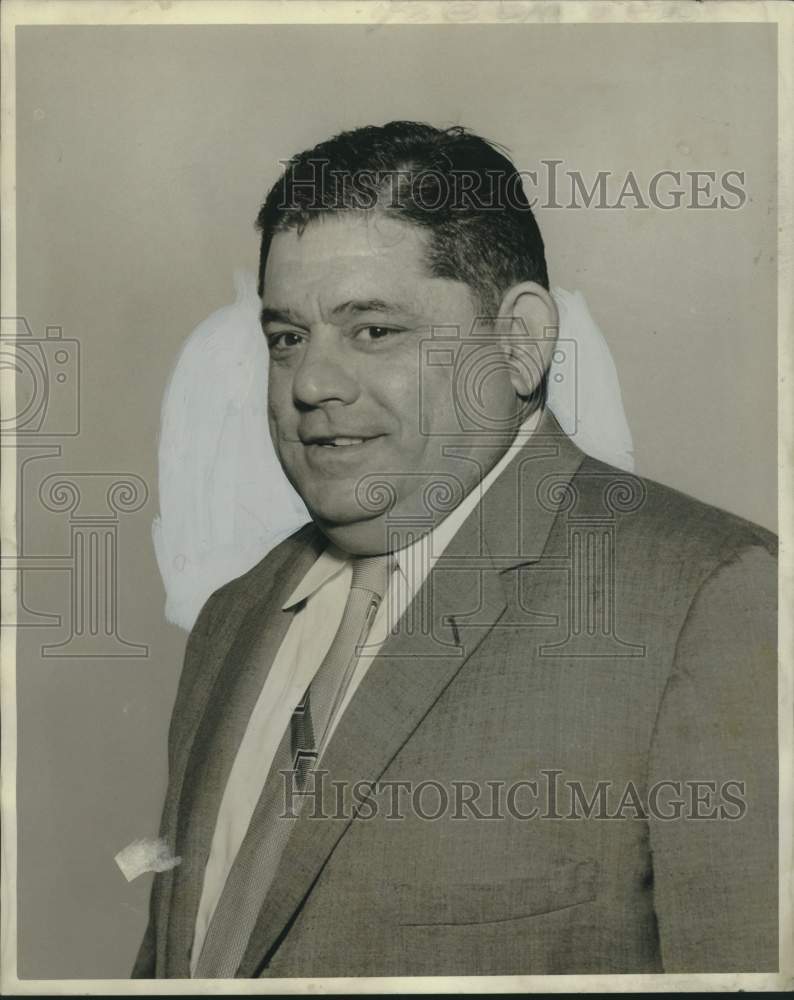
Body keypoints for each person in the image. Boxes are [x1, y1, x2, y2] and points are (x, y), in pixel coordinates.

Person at [132, 121, 777, 978]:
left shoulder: (704, 599)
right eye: (287, 337)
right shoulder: (234, 617)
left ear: (519, 341)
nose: (311, 386)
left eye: (373, 331)